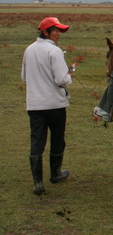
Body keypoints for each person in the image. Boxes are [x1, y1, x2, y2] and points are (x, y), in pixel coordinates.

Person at [22, 17, 73, 195]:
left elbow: (25, 77)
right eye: (56, 30)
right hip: (54, 104)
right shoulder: (55, 51)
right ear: (45, 32)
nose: (59, 34)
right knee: (57, 139)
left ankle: (38, 183)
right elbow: (61, 80)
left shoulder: (28, 49)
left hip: (34, 104)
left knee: (37, 142)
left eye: (59, 30)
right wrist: (69, 75)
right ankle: (55, 174)